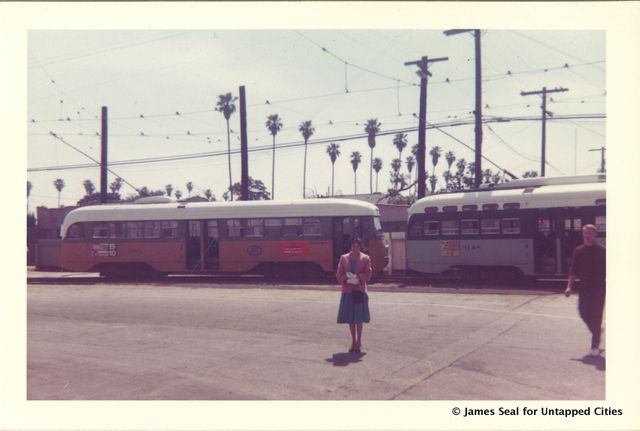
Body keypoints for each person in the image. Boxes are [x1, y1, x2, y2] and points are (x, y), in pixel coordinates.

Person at [564, 224, 606, 357]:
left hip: (599, 288)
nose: (587, 236)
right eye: (585, 233)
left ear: (595, 234)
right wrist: (569, 286)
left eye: (589, 233)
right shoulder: (579, 250)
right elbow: (573, 270)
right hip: (585, 287)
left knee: (597, 315)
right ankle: (597, 331)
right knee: (583, 312)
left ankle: (595, 345)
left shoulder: (603, 251)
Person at [336, 237, 372, 353]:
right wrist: (345, 279)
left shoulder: (365, 258)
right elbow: (339, 273)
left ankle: (359, 342)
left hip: (359, 291)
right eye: (353, 246)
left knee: (359, 318)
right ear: (350, 247)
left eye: (357, 246)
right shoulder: (344, 258)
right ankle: (353, 341)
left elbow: (368, 274)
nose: (355, 248)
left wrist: (358, 277)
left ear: (360, 247)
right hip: (348, 291)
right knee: (351, 318)